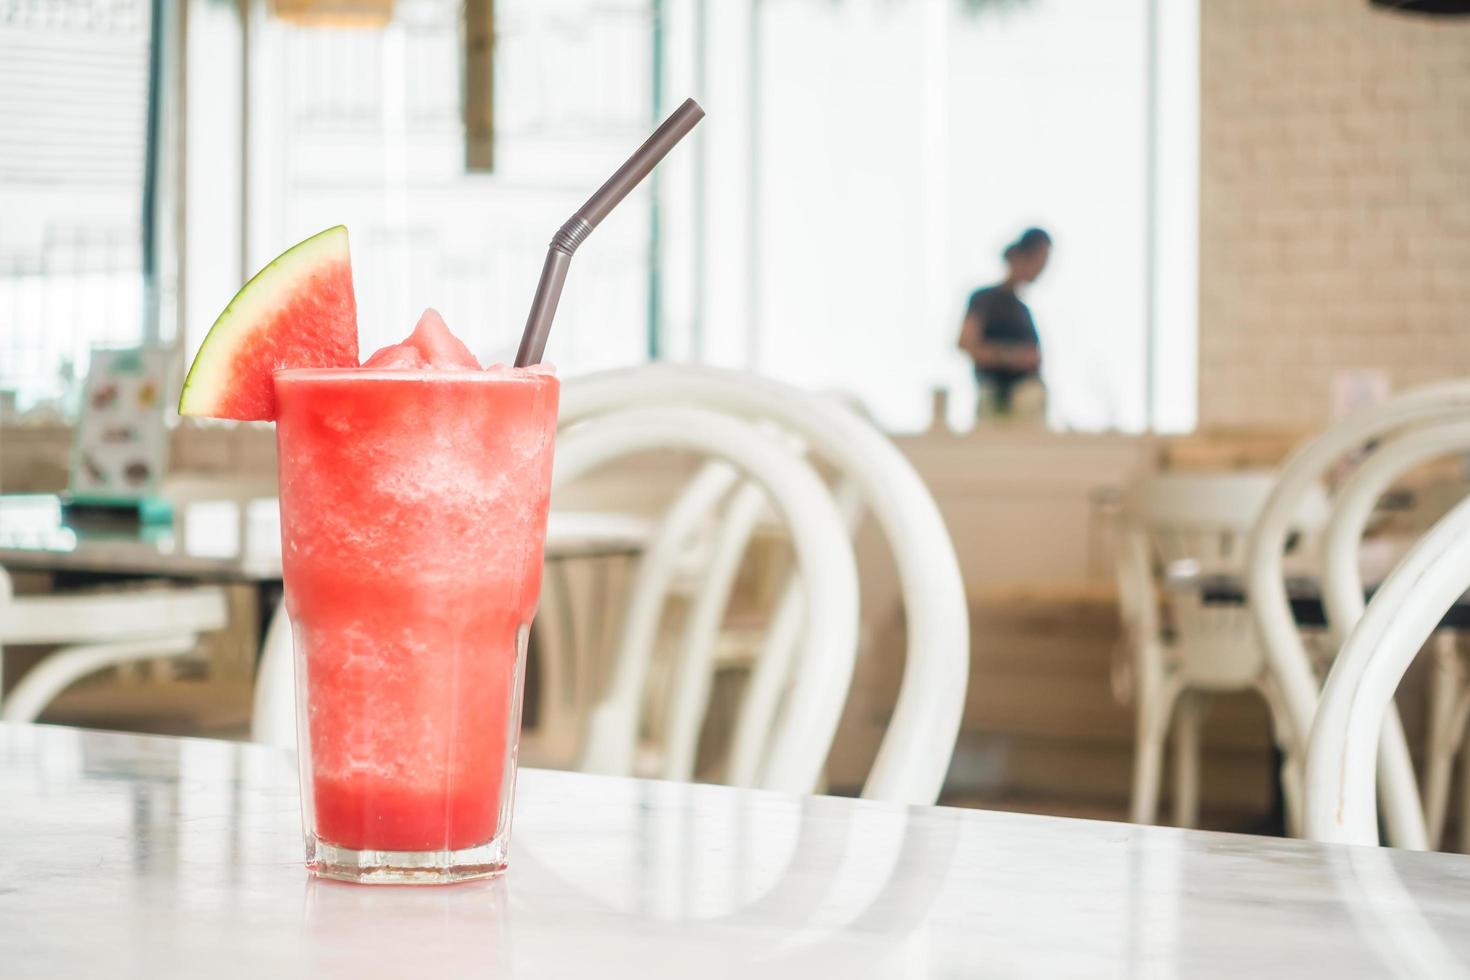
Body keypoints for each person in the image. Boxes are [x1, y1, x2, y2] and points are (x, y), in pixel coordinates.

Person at [956, 227, 1051, 415]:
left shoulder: (1023, 310)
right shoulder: (984, 299)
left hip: (1028, 408)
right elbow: (965, 343)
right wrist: (1013, 357)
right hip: (995, 402)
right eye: (1040, 260)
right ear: (1021, 257)